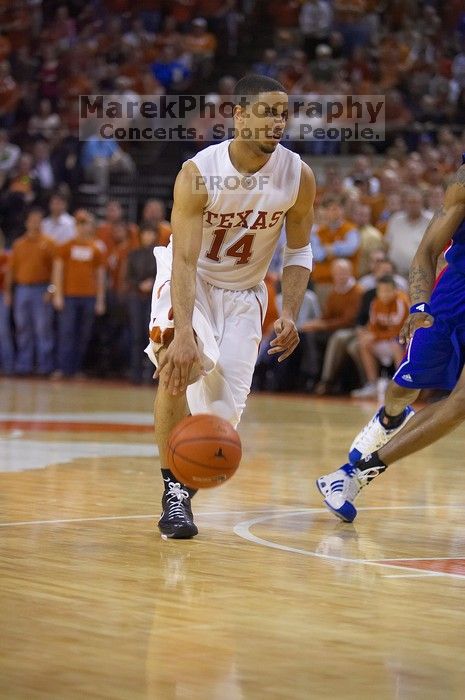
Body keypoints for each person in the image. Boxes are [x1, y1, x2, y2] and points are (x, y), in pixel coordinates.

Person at [145, 74, 315, 539]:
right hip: (191, 281)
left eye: (284, 113)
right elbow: (182, 256)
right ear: (239, 115)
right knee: (178, 367)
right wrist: (182, 333)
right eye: (267, 112)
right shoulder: (199, 173)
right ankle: (174, 498)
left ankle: (184, 479)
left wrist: (290, 311)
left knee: (220, 422)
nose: (278, 121)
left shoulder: (297, 175)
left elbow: (299, 252)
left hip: (247, 293)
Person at [316, 157, 465, 522]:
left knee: (460, 404)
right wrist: (419, 305)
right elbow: (427, 251)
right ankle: (389, 417)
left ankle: (352, 475)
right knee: (404, 392)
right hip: (455, 295)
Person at [52, 209, 106, 378]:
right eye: (80, 223)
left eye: (86, 223)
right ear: (75, 225)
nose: (83, 227)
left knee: (83, 335)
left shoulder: (96, 249)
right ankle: (63, 368)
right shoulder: (65, 247)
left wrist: (100, 300)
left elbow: (100, 275)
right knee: (66, 333)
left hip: (89, 297)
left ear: (90, 226)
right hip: (69, 296)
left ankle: (75, 369)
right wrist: (58, 294)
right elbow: (58, 271)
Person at [4, 208, 56, 375]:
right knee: (22, 328)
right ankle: (23, 365)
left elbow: (56, 269)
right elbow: (11, 270)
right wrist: (8, 292)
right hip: (22, 289)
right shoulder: (18, 244)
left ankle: (44, 367)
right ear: (26, 222)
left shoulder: (49, 243)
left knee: (43, 329)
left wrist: (52, 289)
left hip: (41, 288)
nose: (35, 223)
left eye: (38, 219)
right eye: (32, 219)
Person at [350, 275, 409, 398]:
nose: (384, 294)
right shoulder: (375, 303)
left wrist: (376, 336)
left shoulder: (401, 301)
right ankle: (372, 384)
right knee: (364, 343)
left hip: (403, 340)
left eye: (388, 291)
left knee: (395, 344)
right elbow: (373, 327)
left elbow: (399, 330)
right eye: (381, 291)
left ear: (395, 290)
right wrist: (372, 336)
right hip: (386, 339)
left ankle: (400, 386)